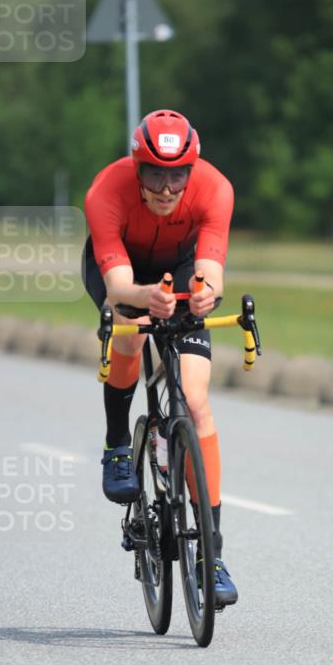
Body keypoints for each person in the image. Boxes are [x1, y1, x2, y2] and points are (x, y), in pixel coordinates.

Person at [82, 108, 237, 606]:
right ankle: (116, 446)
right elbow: (118, 286)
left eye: (177, 176)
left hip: (181, 264)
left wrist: (205, 294)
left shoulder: (216, 189)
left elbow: (211, 269)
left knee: (194, 402)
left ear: (192, 168)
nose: (167, 188)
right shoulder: (106, 192)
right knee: (129, 335)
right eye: (154, 174)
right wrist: (146, 296)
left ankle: (210, 556)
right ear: (136, 165)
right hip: (124, 267)